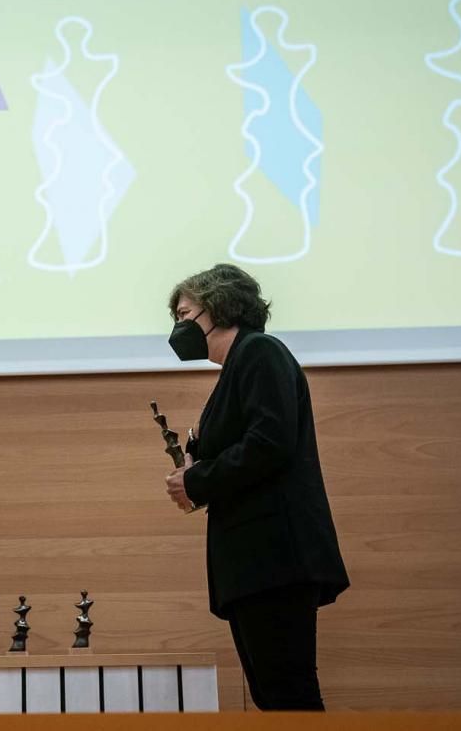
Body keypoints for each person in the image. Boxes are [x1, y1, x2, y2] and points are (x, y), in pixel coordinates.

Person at [162, 264, 349, 711]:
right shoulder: (239, 366)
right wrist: (195, 471)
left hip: (274, 558)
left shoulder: (260, 352)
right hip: (254, 563)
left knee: (289, 697)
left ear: (219, 306)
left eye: (185, 313)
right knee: (274, 699)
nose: (178, 327)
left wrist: (197, 480)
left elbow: (270, 442)